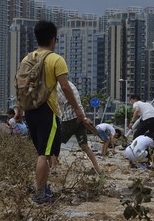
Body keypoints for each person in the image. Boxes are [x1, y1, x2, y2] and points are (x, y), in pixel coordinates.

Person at [15, 20, 93, 204]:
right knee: (44, 153)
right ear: (53, 39)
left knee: (43, 152)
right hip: (47, 111)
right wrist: (78, 110)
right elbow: (65, 87)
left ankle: (43, 187)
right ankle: (40, 194)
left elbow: (20, 88)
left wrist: (18, 110)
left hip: (30, 111)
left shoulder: (27, 59)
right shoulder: (56, 59)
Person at [56, 80, 101, 174]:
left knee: (54, 143)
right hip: (79, 117)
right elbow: (77, 102)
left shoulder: (58, 86)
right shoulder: (69, 84)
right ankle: (97, 168)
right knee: (84, 146)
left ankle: (54, 167)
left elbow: (62, 103)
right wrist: (83, 117)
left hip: (70, 118)